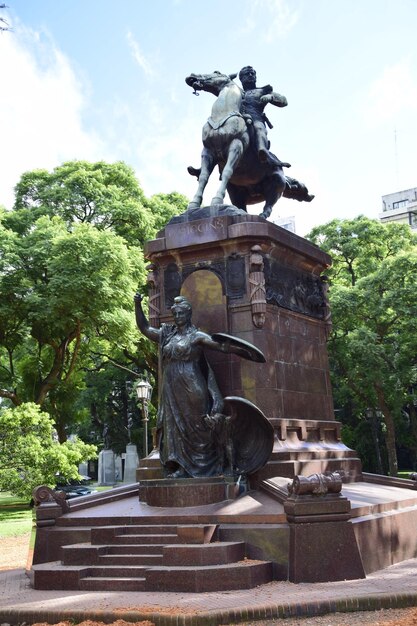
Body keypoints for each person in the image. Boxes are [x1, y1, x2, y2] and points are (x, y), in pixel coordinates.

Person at [134, 292, 263, 479]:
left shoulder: (196, 336)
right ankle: (180, 466)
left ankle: (209, 464)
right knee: (174, 428)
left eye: (181, 314)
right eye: (175, 314)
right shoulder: (167, 334)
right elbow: (144, 328)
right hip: (171, 389)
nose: (178, 317)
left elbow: (222, 347)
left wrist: (246, 351)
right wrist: (137, 304)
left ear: (188, 314)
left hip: (192, 386)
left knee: (198, 427)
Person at [238, 66, 288, 165]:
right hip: (238, 120)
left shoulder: (262, 91)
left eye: (253, 73)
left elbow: (284, 101)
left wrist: (271, 97)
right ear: (241, 78)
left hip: (256, 120)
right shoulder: (236, 92)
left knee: (259, 128)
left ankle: (262, 150)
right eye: (247, 74)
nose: (251, 75)